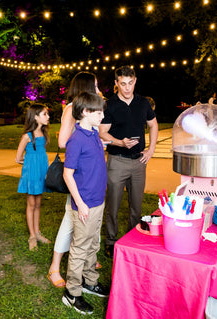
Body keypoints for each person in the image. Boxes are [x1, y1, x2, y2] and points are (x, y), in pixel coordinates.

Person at [48, 72, 102, 288]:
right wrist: (81, 146)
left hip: (89, 174)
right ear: (87, 86)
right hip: (78, 174)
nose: (99, 88)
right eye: (95, 85)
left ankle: (88, 261)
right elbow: (62, 141)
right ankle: (54, 267)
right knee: (70, 220)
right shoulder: (73, 109)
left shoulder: (91, 109)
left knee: (81, 219)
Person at [99, 66, 158, 257]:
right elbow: (103, 132)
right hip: (117, 161)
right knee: (113, 205)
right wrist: (120, 142)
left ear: (135, 81)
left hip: (139, 161)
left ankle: (133, 239)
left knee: (136, 206)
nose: (127, 88)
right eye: (122, 84)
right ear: (116, 84)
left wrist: (151, 150)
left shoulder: (143, 103)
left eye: (130, 83)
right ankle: (111, 240)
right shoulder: (110, 105)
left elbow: (153, 125)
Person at [62, 92, 109, 315]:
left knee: (92, 245)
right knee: (80, 248)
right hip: (85, 205)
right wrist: (80, 203)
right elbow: (68, 175)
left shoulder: (93, 133)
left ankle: (90, 281)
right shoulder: (77, 139)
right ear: (84, 112)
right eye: (97, 112)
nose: (102, 115)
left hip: (98, 201)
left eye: (102, 110)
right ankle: (72, 292)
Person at [15, 103, 51, 251]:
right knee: (31, 205)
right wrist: (30, 162)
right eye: (44, 114)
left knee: (38, 204)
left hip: (42, 172)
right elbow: (18, 158)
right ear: (35, 117)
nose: (48, 117)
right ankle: (31, 236)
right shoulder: (27, 136)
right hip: (32, 174)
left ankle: (37, 232)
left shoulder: (43, 134)